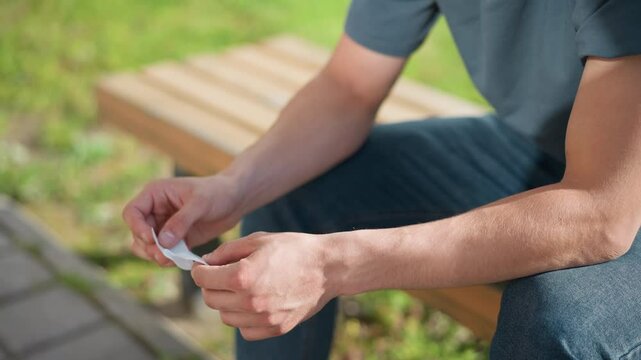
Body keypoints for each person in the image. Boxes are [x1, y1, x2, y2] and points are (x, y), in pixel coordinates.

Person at [122, 1, 641, 359]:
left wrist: (334, 265)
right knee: (295, 195)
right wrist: (232, 188)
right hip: (547, 148)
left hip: (618, 189)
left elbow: (599, 212)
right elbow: (349, 86)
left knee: (556, 323)